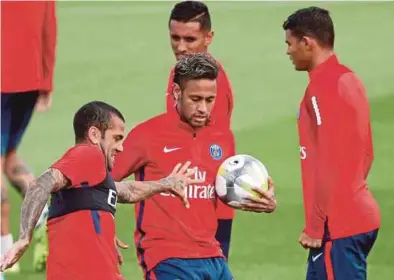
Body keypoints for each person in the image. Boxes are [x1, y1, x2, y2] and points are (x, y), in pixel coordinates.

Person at [111, 53, 276, 280]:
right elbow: (103, 182)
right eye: (195, 99)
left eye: (210, 100)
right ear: (177, 93)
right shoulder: (148, 135)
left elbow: (222, 189)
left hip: (212, 254)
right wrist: (104, 226)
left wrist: (258, 198)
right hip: (166, 256)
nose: (203, 109)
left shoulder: (221, 138)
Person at [0, 101, 197, 279]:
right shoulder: (86, 154)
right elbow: (40, 184)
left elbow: (125, 191)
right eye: (117, 138)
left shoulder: (92, 177)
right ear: (94, 135)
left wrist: (166, 184)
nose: (121, 148)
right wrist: (25, 237)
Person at [282, 7, 381, 280]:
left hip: (337, 225)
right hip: (356, 213)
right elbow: (367, 152)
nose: (287, 52)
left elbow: (329, 158)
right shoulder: (349, 79)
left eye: (290, 44)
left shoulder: (322, 86)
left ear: (307, 43)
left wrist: (315, 226)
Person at [164, 0, 237, 260]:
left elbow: (209, 150)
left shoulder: (211, 83)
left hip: (206, 208)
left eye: (190, 39)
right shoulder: (180, 73)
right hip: (187, 201)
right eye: (175, 37)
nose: (181, 47)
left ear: (209, 38)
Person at [0, 0, 57, 273]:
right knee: (8, 155)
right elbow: (50, 28)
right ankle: (43, 216)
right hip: (29, 78)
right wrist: (46, 81)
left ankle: (4, 250)